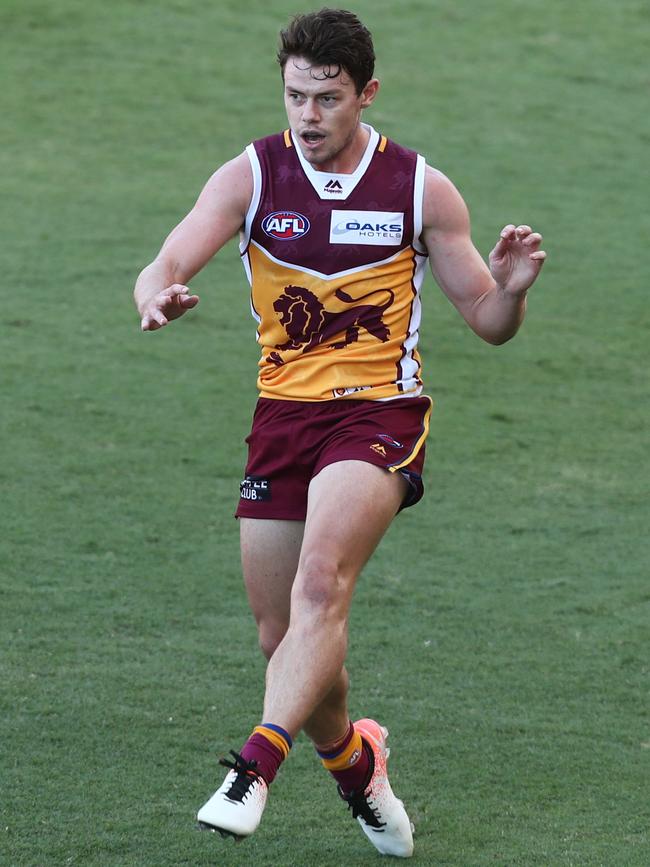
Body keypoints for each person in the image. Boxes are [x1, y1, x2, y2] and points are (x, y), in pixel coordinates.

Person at [133, 8, 546, 859]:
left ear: (366, 94)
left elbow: (488, 320)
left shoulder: (421, 187)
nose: (308, 116)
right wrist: (156, 291)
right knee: (282, 638)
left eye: (327, 98)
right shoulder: (252, 175)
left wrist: (509, 290)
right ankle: (358, 763)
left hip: (379, 414)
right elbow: (170, 255)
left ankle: (251, 768)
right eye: (295, 96)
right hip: (282, 418)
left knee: (322, 583)